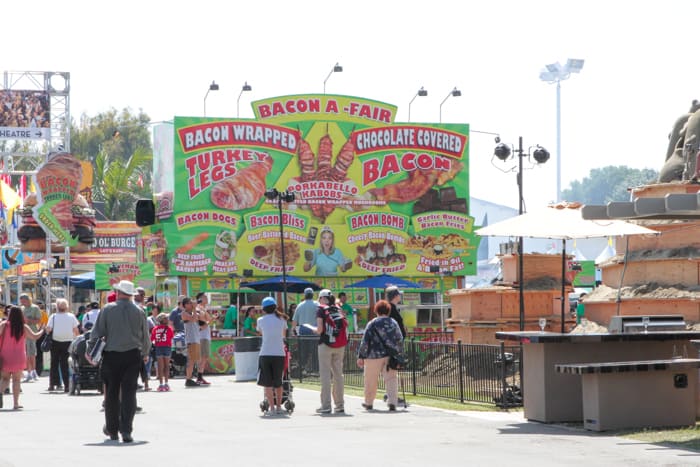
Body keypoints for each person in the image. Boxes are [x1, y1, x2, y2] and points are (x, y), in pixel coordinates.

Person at [89, 280, 150, 443]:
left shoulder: (107, 309)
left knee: (111, 394)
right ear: (130, 294)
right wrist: (145, 353)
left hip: (111, 356)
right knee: (130, 394)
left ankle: (113, 430)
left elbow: (96, 333)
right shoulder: (139, 311)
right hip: (132, 356)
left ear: (118, 292)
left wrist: (90, 352)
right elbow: (146, 336)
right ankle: (126, 431)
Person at [356, 299, 404, 411]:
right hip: (390, 356)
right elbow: (400, 339)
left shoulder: (372, 323)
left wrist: (361, 356)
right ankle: (392, 402)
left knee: (370, 380)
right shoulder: (393, 322)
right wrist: (399, 353)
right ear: (388, 311)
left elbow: (365, 341)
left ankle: (369, 402)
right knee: (391, 379)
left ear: (376, 310)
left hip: (373, 356)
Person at [0, 306, 44, 409]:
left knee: (5, 379)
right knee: (16, 380)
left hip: (5, 356)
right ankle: (15, 403)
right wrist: (42, 330)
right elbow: (34, 336)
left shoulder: (3, 325)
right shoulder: (23, 327)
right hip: (19, 356)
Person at [314, 288, 348, 414]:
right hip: (340, 344)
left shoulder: (321, 309)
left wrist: (312, 329)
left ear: (322, 298)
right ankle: (339, 405)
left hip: (326, 344)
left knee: (325, 375)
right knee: (339, 375)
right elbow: (346, 323)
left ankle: (326, 406)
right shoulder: (338, 308)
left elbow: (319, 329)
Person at [256, 297, 287, 415]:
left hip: (265, 353)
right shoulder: (282, 320)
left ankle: (272, 409)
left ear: (264, 309)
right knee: (278, 382)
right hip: (279, 353)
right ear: (275, 308)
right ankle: (279, 407)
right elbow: (283, 335)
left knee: (267, 383)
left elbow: (261, 332)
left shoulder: (260, 320)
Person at [45, 298, 80, 392]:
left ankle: (52, 384)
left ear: (57, 307)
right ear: (66, 307)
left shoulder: (53, 316)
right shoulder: (71, 316)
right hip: (68, 342)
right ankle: (67, 385)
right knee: (65, 364)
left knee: (54, 363)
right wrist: (78, 339)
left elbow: (48, 329)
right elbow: (76, 330)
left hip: (55, 342)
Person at [19, 293, 41, 382]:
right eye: (21, 301)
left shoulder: (35, 308)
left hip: (31, 332)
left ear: (28, 300)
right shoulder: (21, 309)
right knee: (25, 353)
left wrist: (29, 320)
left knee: (31, 353)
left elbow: (38, 320)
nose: (22, 303)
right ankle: (29, 372)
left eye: (23, 301)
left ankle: (33, 371)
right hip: (23, 333)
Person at [181, 297, 202, 387]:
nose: (191, 304)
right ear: (185, 305)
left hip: (196, 339)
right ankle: (188, 379)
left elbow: (198, 319)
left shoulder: (193, 313)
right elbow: (193, 319)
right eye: (189, 303)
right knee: (191, 361)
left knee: (194, 360)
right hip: (191, 340)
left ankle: (190, 378)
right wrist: (194, 308)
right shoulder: (184, 313)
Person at [151, 312, 173, 392]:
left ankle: (160, 384)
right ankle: (166, 383)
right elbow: (171, 337)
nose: (167, 319)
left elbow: (152, 339)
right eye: (166, 318)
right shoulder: (169, 328)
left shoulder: (155, 329)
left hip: (158, 347)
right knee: (167, 366)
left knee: (160, 367)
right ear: (162, 320)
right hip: (167, 347)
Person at [195, 292, 212, 385]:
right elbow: (202, 322)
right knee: (203, 356)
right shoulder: (198, 309)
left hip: (204, 335)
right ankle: (199, 376)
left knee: (204, 356)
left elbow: (209, 319)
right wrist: (208, 321)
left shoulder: (203, 309)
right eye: (205, 297)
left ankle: (200, 376)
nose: (206, 298)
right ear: (200, 299)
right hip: (202, 336)